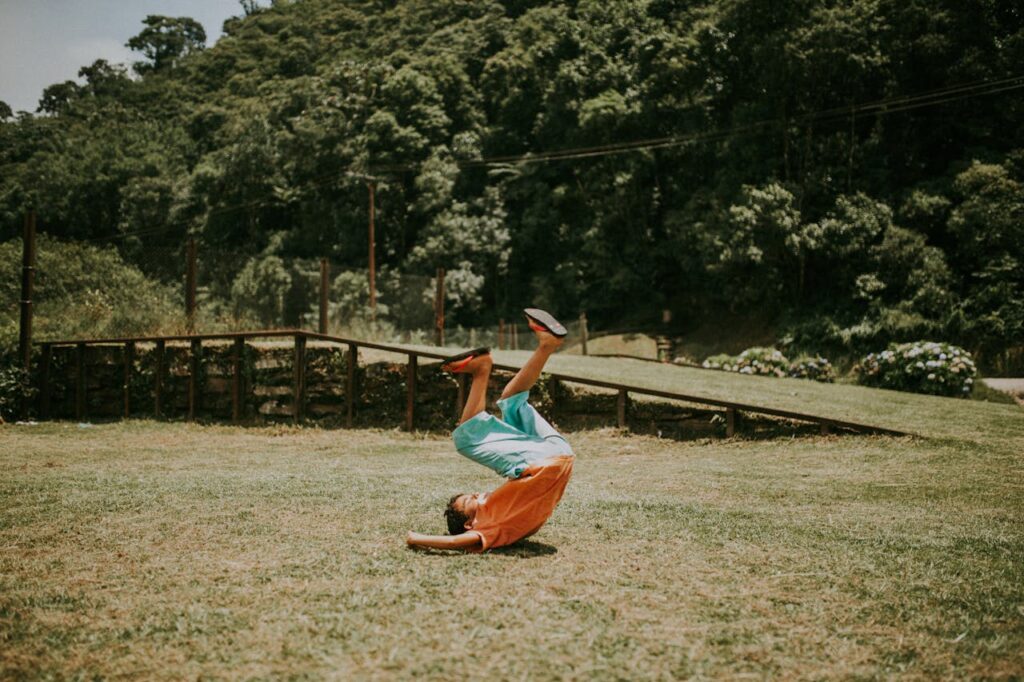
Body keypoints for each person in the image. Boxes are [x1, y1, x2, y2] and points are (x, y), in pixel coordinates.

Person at [406, 308, 574, 552]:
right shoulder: (488, 525)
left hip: (560, 456)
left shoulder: (503, 518)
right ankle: (482, 370)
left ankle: (547, 344)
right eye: (469, 501)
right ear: (468, 524)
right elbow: (456, 542)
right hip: (545, 464)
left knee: (512, 399)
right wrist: (417, 538)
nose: (475, 494)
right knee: (466, 440)